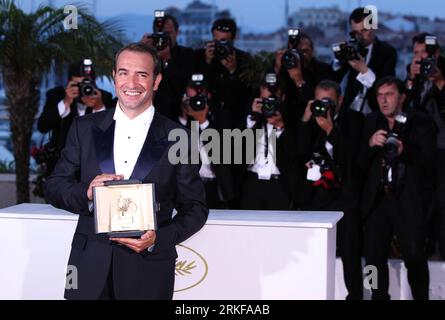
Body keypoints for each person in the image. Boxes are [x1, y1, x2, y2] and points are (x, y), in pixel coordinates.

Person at [45, 42, 208, 300]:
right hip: (87, 270)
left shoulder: (180, 138)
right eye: (123, 73)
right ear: (114, 77)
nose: (131, 83)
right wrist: (86, 193)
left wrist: (158, 239)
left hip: (148, 273)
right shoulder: (84, 128)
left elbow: (196, 208)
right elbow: (54, 186)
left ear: (156, 81)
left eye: (141, 74)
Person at [358, 76, 436, 300]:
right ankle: (376, 295)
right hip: (377, 200)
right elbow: (359, 164)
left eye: (389, 95)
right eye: (380, 96)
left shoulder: (421, 121)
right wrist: (370, 145)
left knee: (414, 257)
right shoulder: (371, 121)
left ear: (401, 97)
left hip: (408, 200)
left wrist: (405, 151)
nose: (384, 101)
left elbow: (430, 161)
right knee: (372, 257)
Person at [297, 80, 364, 299]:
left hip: (345, 198)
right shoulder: (309, 122)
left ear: (340, 101)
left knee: (350, 253)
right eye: (319, 102)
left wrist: (331, 130)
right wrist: (307, 120)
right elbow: (297, 153)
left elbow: (354, 157)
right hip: (316, 198)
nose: (323, 107)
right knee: (313, 254)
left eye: (328, 102)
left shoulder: (354, 120)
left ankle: (354, 296)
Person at [405, 33, 445, 259]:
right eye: (417, 53)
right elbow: (407, 110)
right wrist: (411, 80)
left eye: (426, 53)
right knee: (423, 205)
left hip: (441, 150)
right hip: (418, 151)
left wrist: (439, 82)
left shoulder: (441, 77)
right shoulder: (415, 78)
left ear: (437, 54)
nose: (421, 58)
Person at [37, 60, 114, 175]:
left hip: (94, 167)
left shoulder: (104, 97)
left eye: (86, 83)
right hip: (61, 165)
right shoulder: (57, 95)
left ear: (93, 83)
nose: (82, 88)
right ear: (69, 82)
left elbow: (111, 133)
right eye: (77, 84)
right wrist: (65, 102)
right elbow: (42, 126)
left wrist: (99, 107)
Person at [332, 7, 397, 115]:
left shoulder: (387, 52)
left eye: (364, 30)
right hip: (350, 110)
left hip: (375, 110)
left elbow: (386, 85)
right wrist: (338, 59)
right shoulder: (351, 48)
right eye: (355, 32)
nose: (360, 36)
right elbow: (333, 78)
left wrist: (364, 70)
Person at [141, 13, 194, 121]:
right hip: (150, 114)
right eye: (160, 33)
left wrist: (166, 59)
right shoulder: (147, 54)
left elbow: (181, 86)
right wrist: (141, 49)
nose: (164, 37)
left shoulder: (187, 54)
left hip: (178, 115)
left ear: (177, 32)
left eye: (168, 33)